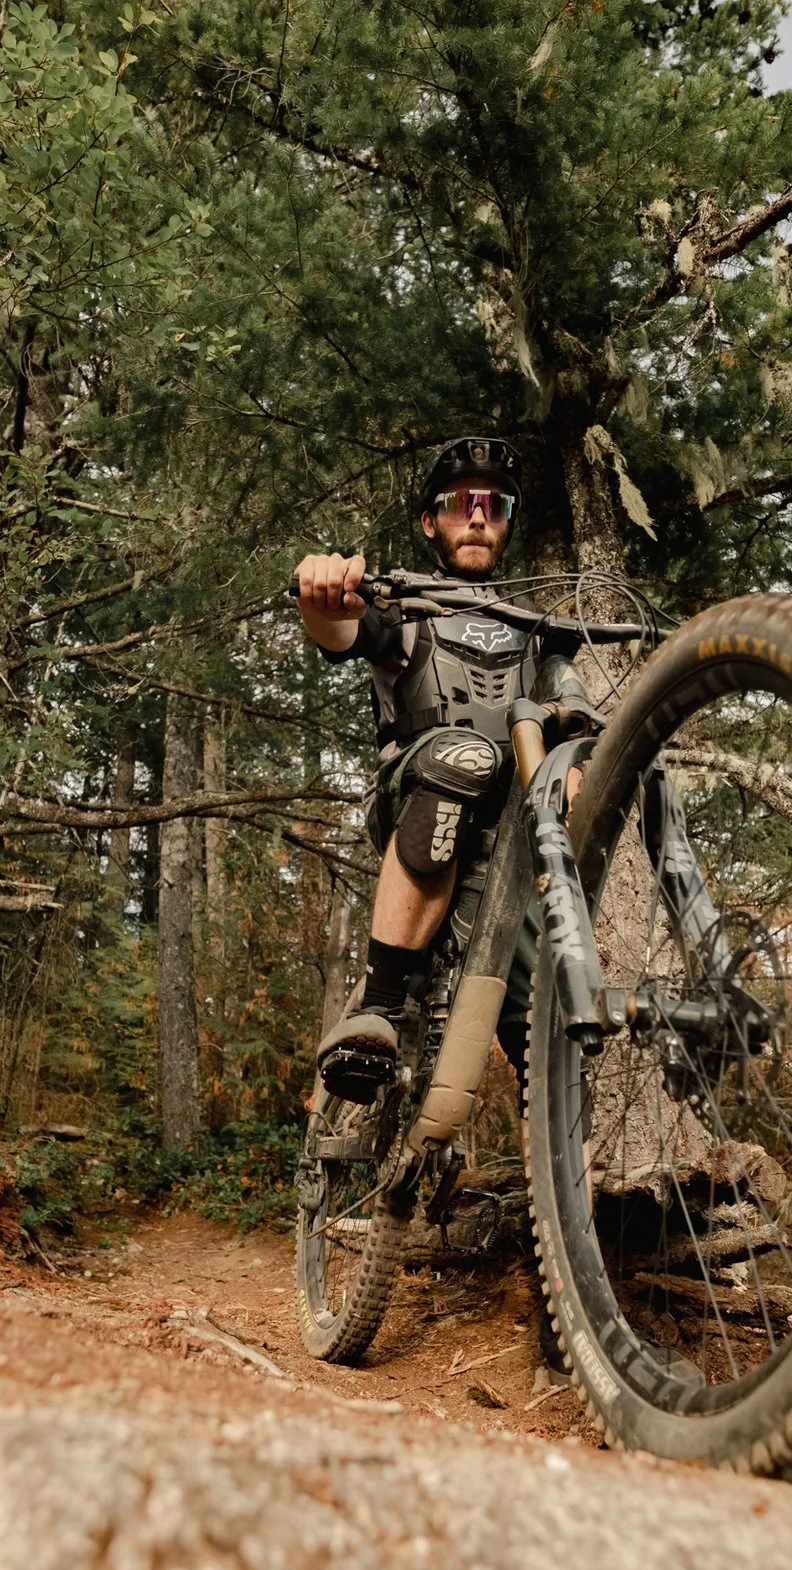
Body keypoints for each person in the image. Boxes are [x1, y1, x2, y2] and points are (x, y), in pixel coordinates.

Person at [295, 436, 536, 1101]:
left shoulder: (540, 630)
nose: (479, 516)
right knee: (468, 755)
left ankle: (557, 1172)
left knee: (547, 1022)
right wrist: (322, 597)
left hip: (512, 835)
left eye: (495, 503)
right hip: (420, 795)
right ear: (432, 521)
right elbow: (341, 631)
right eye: (461, 504)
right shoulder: (401, 606)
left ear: (509, 520)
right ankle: (381, 1003)